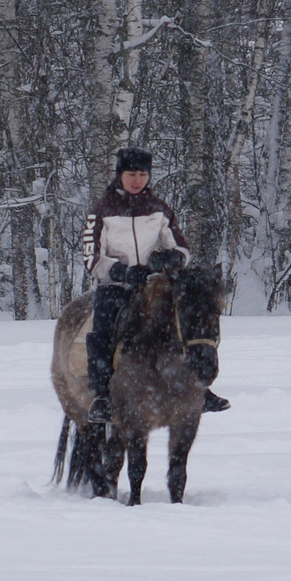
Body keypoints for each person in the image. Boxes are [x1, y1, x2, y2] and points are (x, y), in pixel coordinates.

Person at [78, 148, 227, 424]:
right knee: (104, 329)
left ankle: (199, 387)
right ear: (119, 175)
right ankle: (102, 396)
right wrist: (120, 271)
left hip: (153, 283)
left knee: (189, 320)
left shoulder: (159, 208)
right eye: (131, 174)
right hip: (115, 286)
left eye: (143, 174)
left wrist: (170, 257)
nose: (137, 180)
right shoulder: (102, 210)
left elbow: (182, 247)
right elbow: (90, 256)